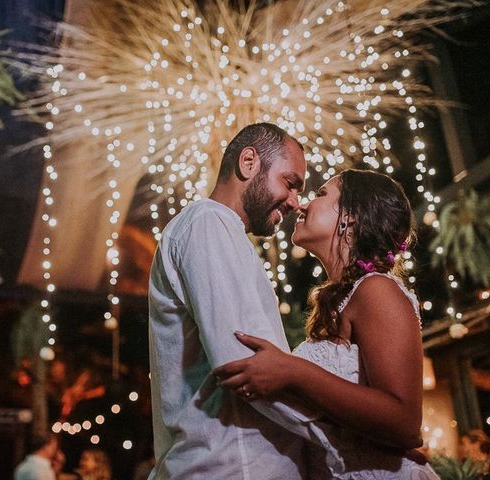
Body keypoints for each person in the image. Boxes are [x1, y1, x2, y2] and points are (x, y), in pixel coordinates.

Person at [214, 169, 439, 478]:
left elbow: (404, 423)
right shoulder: (348, 298)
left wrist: (293, 372)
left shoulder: (377, 289)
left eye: (320, 195)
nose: (301, 205)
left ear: (353, 217)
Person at [148, 123, 315, 479]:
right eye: (290, 183)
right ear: (249, 162)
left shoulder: (218, 230)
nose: (295, 202)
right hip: (233, 465)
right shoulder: (207, 222)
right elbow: (247, 366)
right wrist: (346, 433)